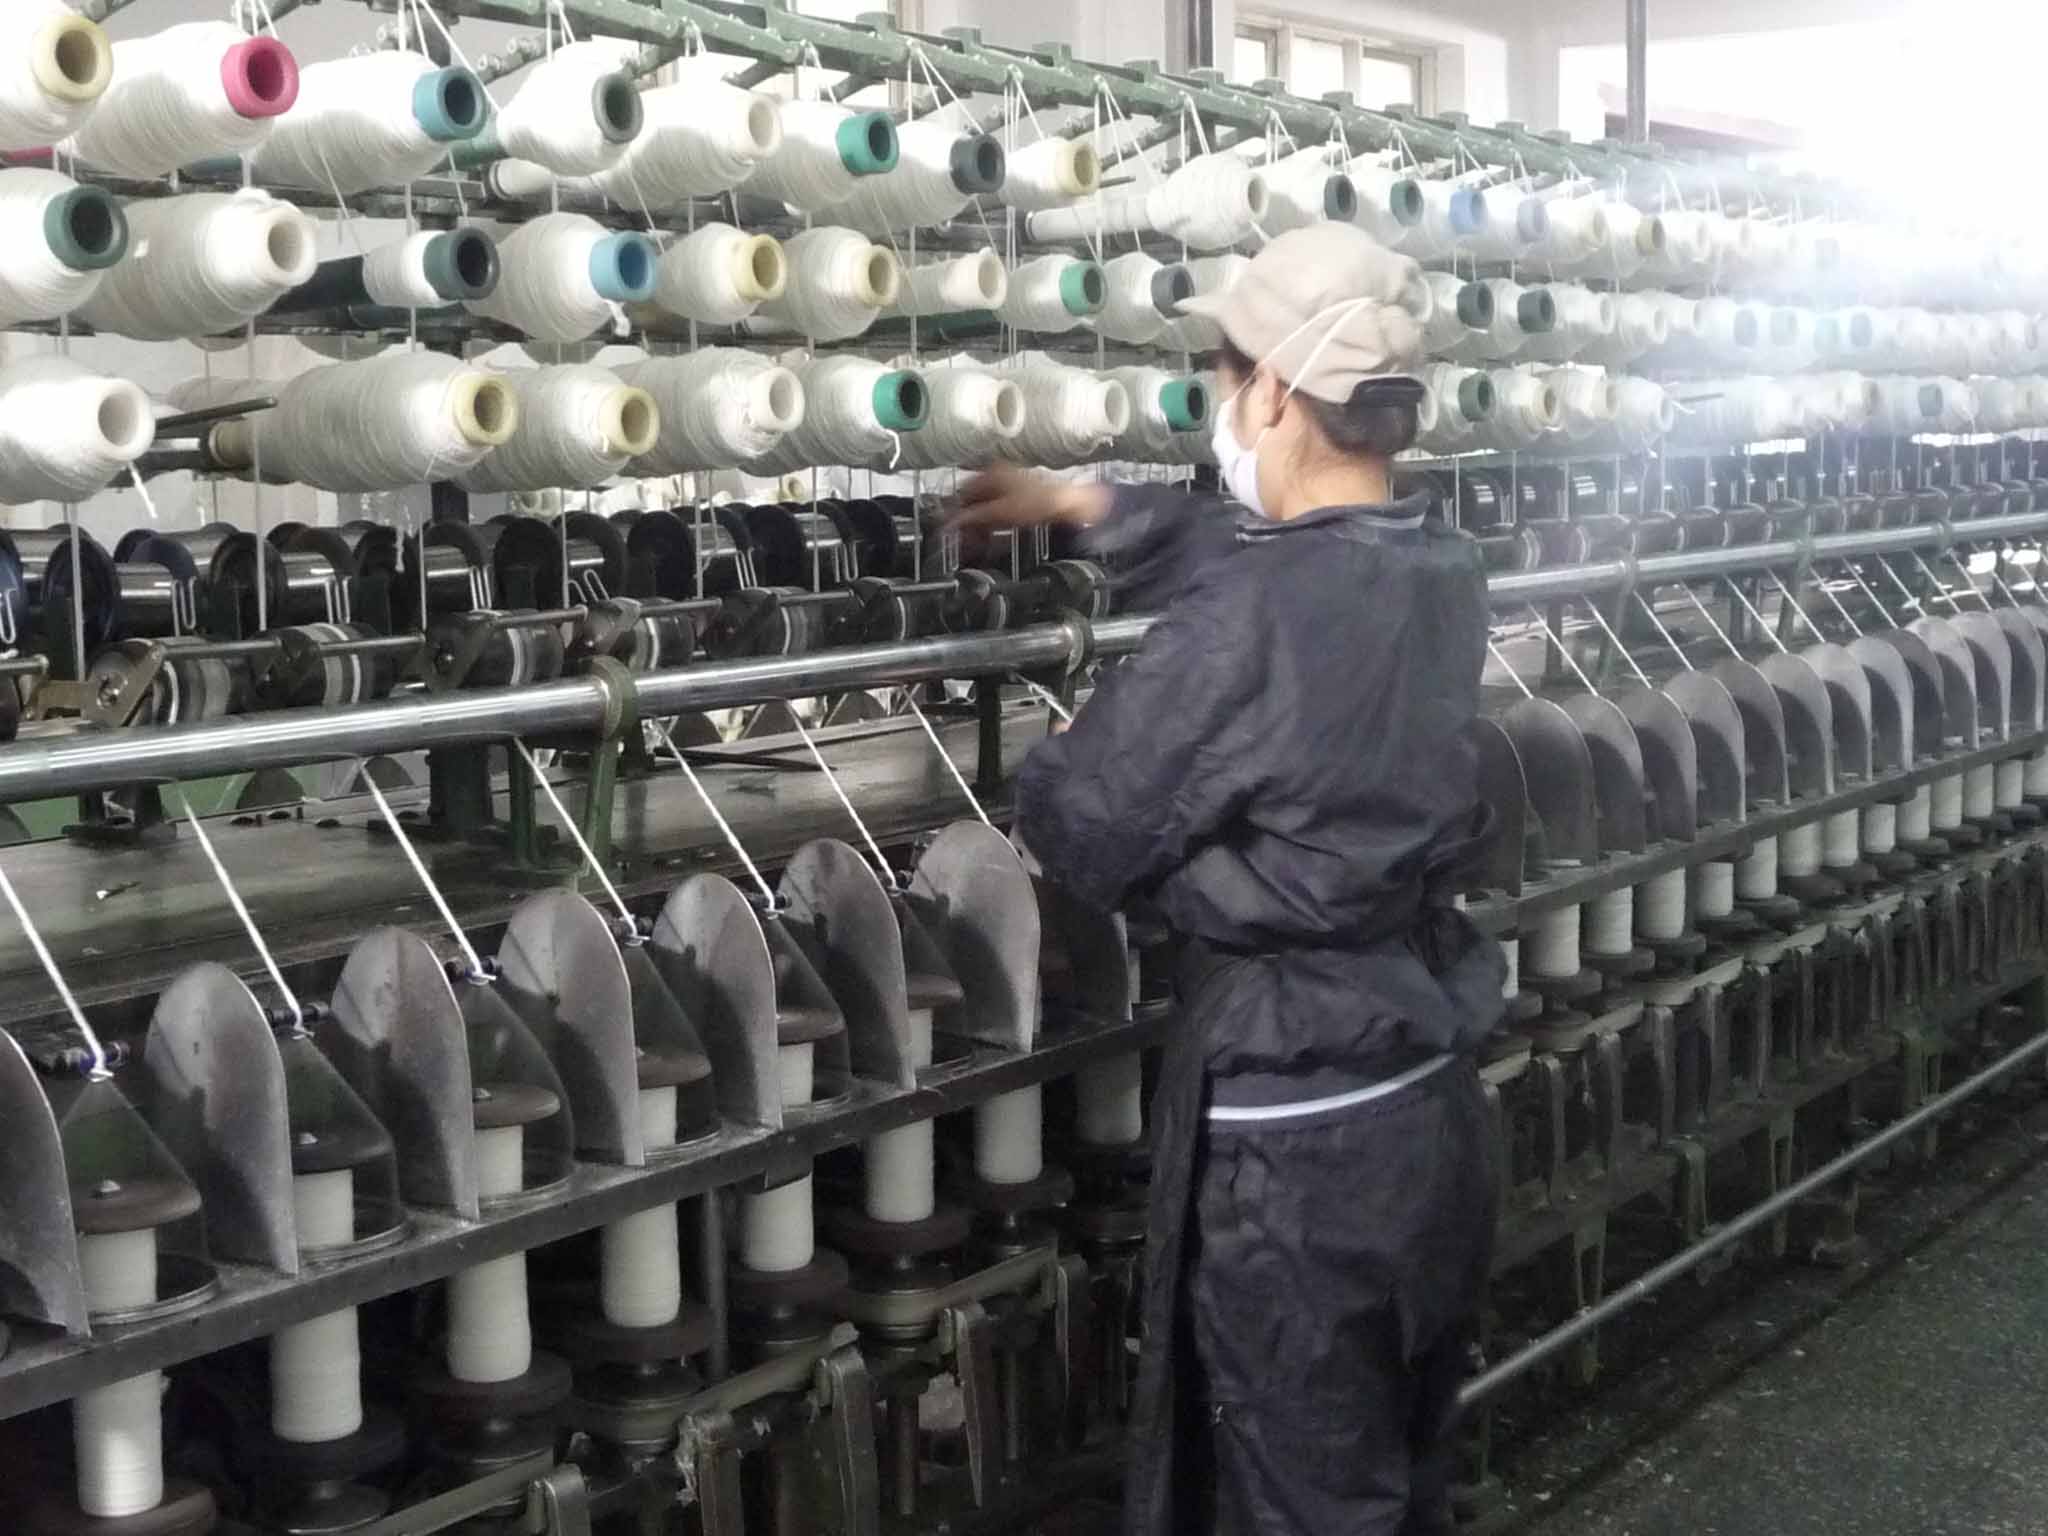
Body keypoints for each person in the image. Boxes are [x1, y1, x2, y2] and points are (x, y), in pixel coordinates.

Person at [950, 222, 1507, 1536]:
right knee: (1389, 1465)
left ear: (1268, 395)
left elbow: (1089, 824)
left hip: (1295, 1134)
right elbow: (1280, 564)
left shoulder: (1250, 620)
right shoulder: (1440, 566)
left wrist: (1069, 747)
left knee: (1294, 1492)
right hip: (1425, 1091)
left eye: (1221, 374)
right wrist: (1085, 506)